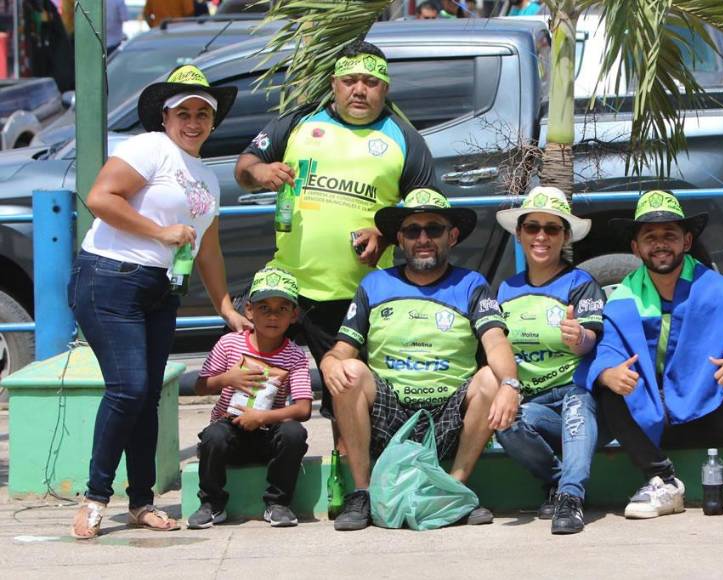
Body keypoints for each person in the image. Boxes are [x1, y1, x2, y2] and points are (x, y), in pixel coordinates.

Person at [69, 65, 247, 539]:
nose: (193, 122)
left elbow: (208, 248)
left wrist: (226, 307)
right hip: (110, 277)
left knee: (146, 397)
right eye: (183, 112)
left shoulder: (206, 178)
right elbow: (100, 197)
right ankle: (95, 497)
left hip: (161, 289)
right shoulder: (150, 148)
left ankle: (141, 502)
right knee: (128, 389)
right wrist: (160, 231)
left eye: (202, 114)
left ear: (213, 121)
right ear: (165, 118)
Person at [234, 41, 435, 441]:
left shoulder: (403, 137)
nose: (359, 90)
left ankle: (349, 486)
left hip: (353, 296)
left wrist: (384, 233)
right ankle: (251, 486)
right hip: (285, 289)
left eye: (371, 82)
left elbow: (428, 210)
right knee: (253, 387)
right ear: (333, 84)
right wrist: (260, 173)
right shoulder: (298, 122)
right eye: (350, 80)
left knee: (347, 396)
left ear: (385, 88)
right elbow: (244, 165)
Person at [575, 191, 723, 520]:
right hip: (654, 417)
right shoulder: (624, 299)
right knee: (608, 387)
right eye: (650, 237)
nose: (660, 244)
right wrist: (608, 374)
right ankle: (662, 481)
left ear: (687, 241)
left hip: (711, 407)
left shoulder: (716, 288)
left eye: (669, 235)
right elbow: (605, 352)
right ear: (635, 247)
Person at [320, 189, 521, 531]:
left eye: (434, 229)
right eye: (413, 231)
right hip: (389, 414)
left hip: (448, 416)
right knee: (349, 370)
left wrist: (510, 384)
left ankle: (453, 489)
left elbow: (496, 342)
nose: (423, 238)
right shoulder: (374, 284)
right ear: (399, 239)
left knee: (490, 378)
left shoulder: (472, 284)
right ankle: (363, 493)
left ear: (452, 236)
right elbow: (343, 349)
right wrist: (328, 362)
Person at [493, 187, 607, 535]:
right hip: (533, 406)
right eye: (532, 227)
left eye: (552, 228)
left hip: (577, 396)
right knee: (505, 423)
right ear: (520, 233)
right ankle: (558, 481)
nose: (541, 236)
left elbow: (591, 339)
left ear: (565, 236)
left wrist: (579, 339)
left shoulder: (582, 284)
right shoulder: (504, 289)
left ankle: (571, 498)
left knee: (576, 405)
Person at [188, 267, 312, 530]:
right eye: (264, 308)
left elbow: (303, 408)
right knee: (213, 436)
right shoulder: (229, 344)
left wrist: (262, 417)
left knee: (293, 433)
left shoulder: (295, 356)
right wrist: (226, 379)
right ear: (249, 311)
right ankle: (212, 503)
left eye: (282, 309)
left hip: (268, 435)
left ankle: (278, 503)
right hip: (229, 431)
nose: (273, 316)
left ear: (294, 315)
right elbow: (200, 386)